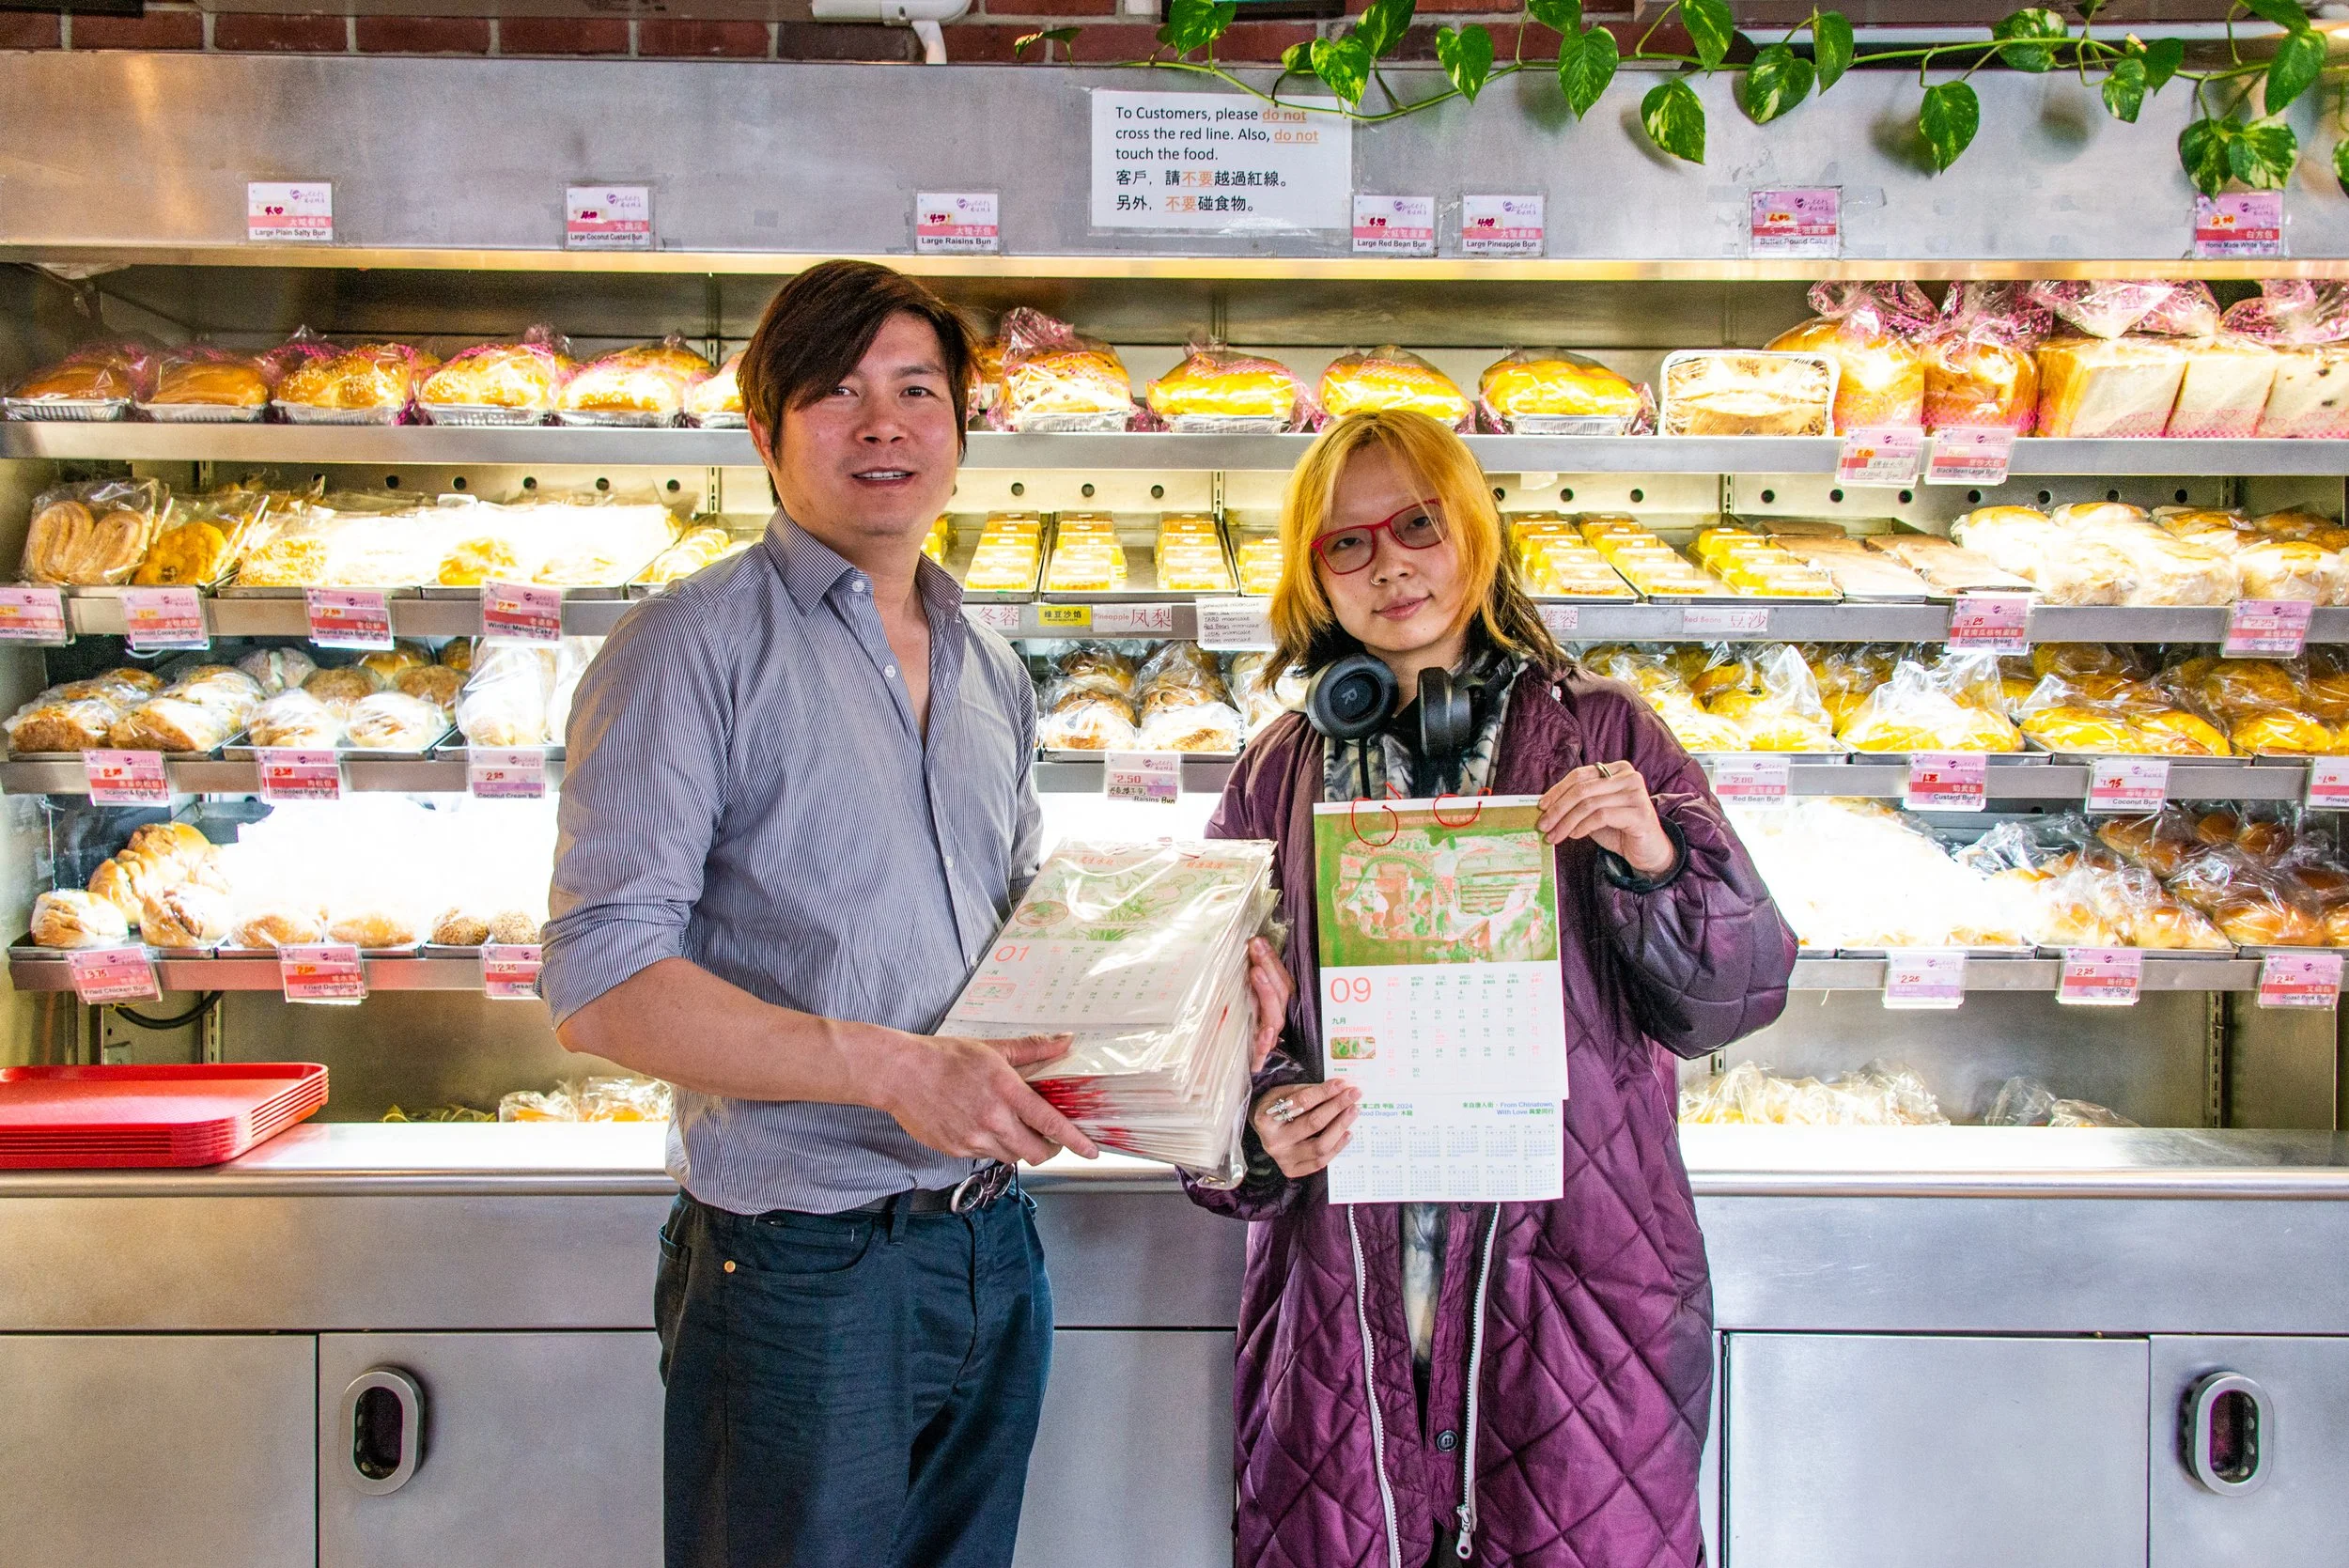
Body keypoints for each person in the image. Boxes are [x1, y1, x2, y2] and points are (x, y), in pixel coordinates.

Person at [542, 259, 1290, 1568]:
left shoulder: (989, 663)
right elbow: (603, 982)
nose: (881, 426)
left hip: (992, 1245)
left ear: (960, 427)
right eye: (836, 393)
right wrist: (888, 1070)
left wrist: (1205, 1006)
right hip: (795, 1273)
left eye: (914, 391)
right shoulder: (690, 645)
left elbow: (1014, 958)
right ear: (765, 430)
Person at [1184, 409, 1797, 1568]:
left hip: (1568, 1293)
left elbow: (1737, 996)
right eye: (1346, 543)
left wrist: (1654, 860)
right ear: (1314, 577)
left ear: (1473, 531)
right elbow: (1215, 1036)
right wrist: (1261, 1119)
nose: (1391, 563)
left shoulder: (1604, 735)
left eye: (1418, 524)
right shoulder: (1278, 770)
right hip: (1342, 1304)